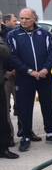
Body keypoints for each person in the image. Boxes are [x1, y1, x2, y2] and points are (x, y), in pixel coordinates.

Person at [6, 8, 52, 152]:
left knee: (48, 105)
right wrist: (29, 71)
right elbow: (12, 56)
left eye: (27, 18)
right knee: (24, 107)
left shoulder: (44, 34)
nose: (23, 21)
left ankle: (51, 132)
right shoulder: (13, 35)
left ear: (34, 19)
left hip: (44, 76)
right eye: (21, 18)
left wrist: (45, 69)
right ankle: (26, 136)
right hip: (24, 77)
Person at [1, 13, 18, 145]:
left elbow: (13, 51)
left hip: (16, 72)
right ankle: (9, 138)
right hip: (4, 76)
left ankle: (25, 132)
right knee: (5, 110)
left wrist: (16, 68)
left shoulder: (10, 32)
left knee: (22, 105)